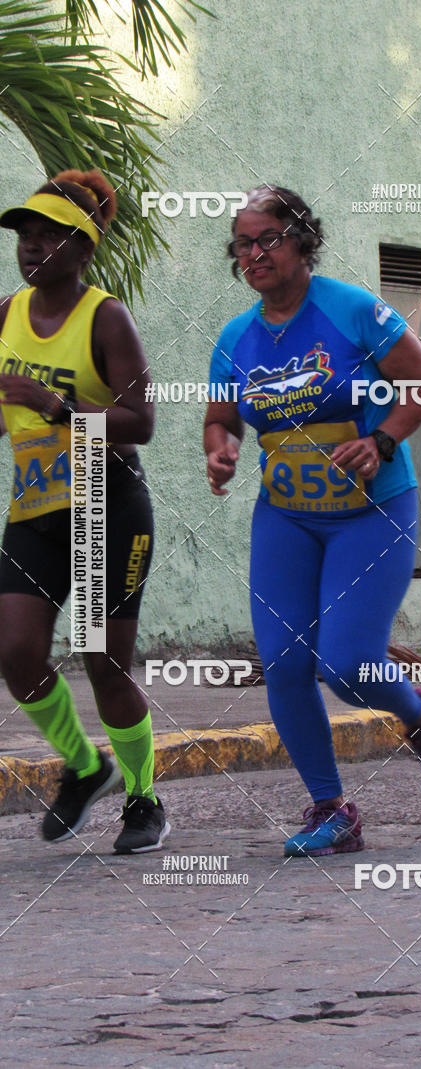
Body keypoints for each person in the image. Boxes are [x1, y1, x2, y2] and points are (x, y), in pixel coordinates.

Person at [204, 185, 421, 858]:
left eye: (268, 238)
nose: (254, 253)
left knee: (347, 665)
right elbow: (221, 413)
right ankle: (332, 809)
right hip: (286, 517)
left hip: (370, 514)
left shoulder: (352, 311)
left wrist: (381, 441)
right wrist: (222, 447)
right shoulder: (236, 336)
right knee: (287, 663)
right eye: (243, 243)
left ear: (301, 241)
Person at [0, 168, 170, 853]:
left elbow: (141, 422)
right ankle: (83, 764)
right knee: (14, 651)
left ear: (83, 248)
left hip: (108, 509)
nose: (32, 247)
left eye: (50, 236)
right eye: (25, 236)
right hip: (35, 509)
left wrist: (54, 404)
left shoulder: (105, 316)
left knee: (103, 660)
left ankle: (144, 799)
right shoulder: (5, 313)